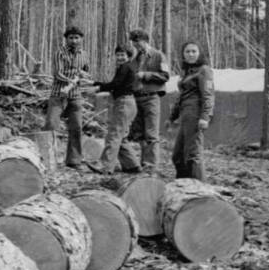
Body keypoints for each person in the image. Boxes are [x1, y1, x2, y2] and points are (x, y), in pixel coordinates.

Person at [86, 45, 141, 175]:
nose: (120, 57)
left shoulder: (125, 67)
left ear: (128, 56)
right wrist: (95, 83)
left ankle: (105, 166)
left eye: (123, 55)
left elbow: (115, 85)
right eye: (118, 55)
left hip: (124, 103)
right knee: (121, 137)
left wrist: (98, 88)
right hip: (127, 103)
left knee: (114, 135)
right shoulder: (125, 68)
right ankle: (132, 165)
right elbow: (115, 84)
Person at [122, 28, 170, 172]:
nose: (136, 45)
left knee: (151, 133)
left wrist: (146, 75)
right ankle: (144, 163)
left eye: (138, 42)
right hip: (137, 99)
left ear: (145, 41)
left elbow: (165, 76)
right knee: (140, 134)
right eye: (134, 42)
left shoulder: (158, 56)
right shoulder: (135, 59)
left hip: (151, 98)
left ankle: (151, 166)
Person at [44, 26, 91, 169]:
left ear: (81, 39)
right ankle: (47, 159)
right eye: (71, 38)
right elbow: (57, 73)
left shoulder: (84, 54)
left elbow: (86, 71)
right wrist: (70, 81)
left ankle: (74, 160)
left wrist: (83, 76)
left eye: (77, 38)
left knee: (76, 127)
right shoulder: (60, 53)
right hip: (59, 94)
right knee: (51, 125)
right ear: (66, 39)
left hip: (76, 96)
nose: (74, 41)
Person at [170, 41, 214, 180]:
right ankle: (182, 185)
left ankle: (199, 189)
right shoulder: (186, 72)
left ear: (199, 53)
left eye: (194, 51)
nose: (191, 54)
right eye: (187, 51)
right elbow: (181, 96)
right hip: (185, 115)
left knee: (193, 154)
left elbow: (208, 95)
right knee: (178, 155)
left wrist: (205, 116)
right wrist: (172, 116)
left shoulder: (204, 70)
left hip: (196, 114)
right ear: (183, 54)